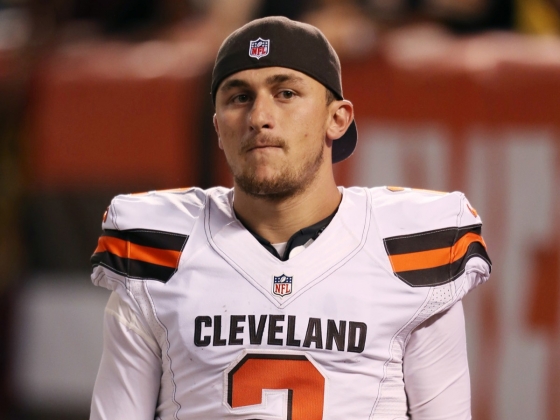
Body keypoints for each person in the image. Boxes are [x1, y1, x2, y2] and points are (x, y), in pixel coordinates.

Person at [89, 16, 491, 420]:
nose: (259, 117)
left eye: (285, 93)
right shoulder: (159, 251)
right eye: (239, 97)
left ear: (337, 118)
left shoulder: (407, 251)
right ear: (217, 127)